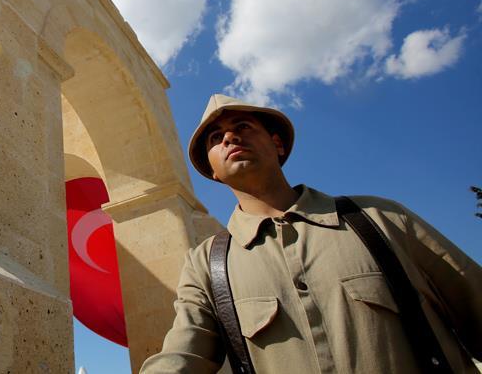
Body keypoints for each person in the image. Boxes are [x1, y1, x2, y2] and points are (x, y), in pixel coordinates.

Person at [140, 94, 481, 373]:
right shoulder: (206, 264)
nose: (230, 137)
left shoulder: (383, 219)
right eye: (217, 138)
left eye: (243, 126)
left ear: (277, 144)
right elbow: (183, 355)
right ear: (212, 171)